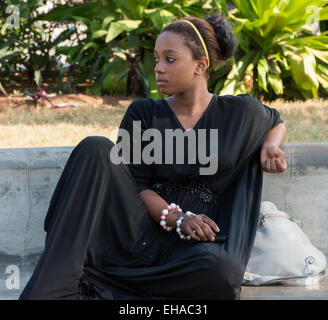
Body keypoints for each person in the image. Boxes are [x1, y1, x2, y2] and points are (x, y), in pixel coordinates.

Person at [19, 14, 287, 300]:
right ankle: (52, 291)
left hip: (195, 245)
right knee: (95, 148)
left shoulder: (239, 112)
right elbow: (136, 185)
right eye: (156, 59)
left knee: (221, 272)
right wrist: (178, 217)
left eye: (170, 59)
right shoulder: (144, 113)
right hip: (139, 232)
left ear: (201, 65)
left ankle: (115, 290)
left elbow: (276, 121)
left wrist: (271, 146)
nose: (158, 68)